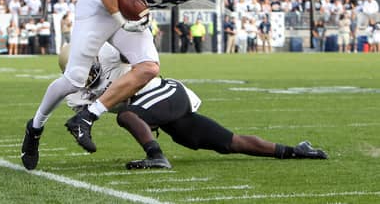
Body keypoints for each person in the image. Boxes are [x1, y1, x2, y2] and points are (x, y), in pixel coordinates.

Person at [21, 0, 225, 166]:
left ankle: (87, 118)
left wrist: (136, 17)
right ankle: (35, 128)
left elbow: (140, 0)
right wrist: (122, 19)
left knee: (148, 67)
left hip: (126, 16)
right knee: (74, 80)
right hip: (99, 8)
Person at [20, 42, 328, 170]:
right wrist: (35, 131)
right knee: (226, 142)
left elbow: (140, 51)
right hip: (159, 113)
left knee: (127, 114)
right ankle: (295, 150)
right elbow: (53, 102)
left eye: (86, 69)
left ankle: (156, 156)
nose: (85, 77)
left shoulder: (110, 53)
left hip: (165, 93)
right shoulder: (73, 93)